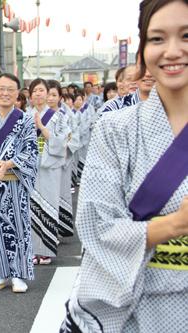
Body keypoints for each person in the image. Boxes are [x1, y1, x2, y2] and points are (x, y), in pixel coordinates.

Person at [61, 1, 188, 332]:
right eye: (157, 39)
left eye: (186, 35)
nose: (172, 51)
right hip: (137, 306)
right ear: (143, 51)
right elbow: (95, 224)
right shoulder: (115, 128)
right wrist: (174, 225)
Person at [0, 73, 38, 292]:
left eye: (10, 89)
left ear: (17, 93)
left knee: (19, 227)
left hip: (15, 181)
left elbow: (31, 150)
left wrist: (9, 164)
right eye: (1, 89)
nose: (5, 93)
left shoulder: (25, 119)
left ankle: (18, 274)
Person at [27, 79, 67, 264]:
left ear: (46, 93)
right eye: (34, 91)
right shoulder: (24, 116)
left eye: (41, 90)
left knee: (49, 205)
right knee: (32, 208)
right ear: (30, 95)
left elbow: (63, 141)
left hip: (50, 166)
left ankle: (47, 250)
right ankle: (34, 250)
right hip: (31, 167)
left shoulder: (58, 117)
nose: (38, 94)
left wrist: (42, 128)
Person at [47, 80, 78, 238]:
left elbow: (73, 137)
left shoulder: (66, 116)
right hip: (44, 163)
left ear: (60, 97)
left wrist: (61, 150)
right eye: (48, 94)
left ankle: (60, 227)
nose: (50, 98)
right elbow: (38, 140)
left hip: (62, 161)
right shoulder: (39, 115)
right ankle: (48, 230)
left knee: (60, 194)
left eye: (54, 95)